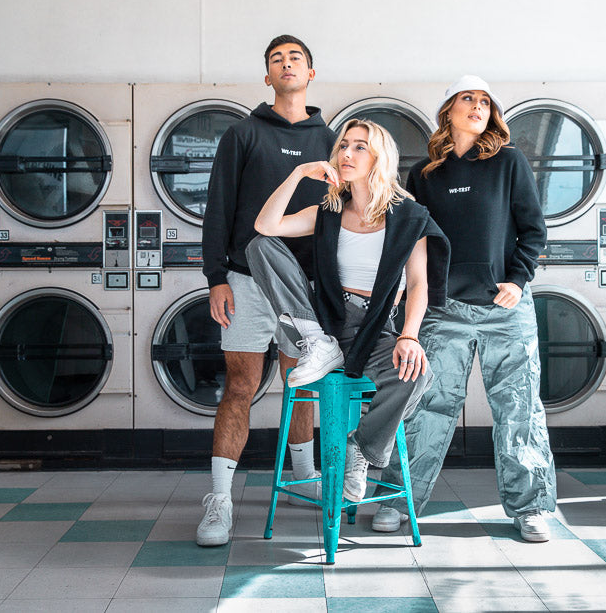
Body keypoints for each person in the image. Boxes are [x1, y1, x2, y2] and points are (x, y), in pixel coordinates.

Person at [373, 75, 557, 542]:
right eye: (467, 99)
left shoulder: (509, 162)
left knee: (518, 409)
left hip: (506, 307)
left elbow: (533, 230)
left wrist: (518, 279)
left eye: (484, 101)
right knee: (425, 408)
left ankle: (531, 508)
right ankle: (398, 499)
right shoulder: (426, 175)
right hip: (444, 307)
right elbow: (416, 240)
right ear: (449, 111)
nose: (477, 106)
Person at [245, 118, 449, 503]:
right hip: (325, 318)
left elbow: (419, 284)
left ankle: (361, 449)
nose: (347, 154)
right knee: (259, 246)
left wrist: (409, 335)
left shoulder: (409, 216)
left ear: (379, 158)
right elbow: (265, 225)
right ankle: (316, 341)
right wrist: (299, 172)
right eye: (343, 146)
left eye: (360, 147)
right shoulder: (328, 210)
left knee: (416, 376)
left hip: (375, 326)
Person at [196, 35, 337, 547]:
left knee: (302, 382)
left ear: (311, 72)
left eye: (295, 57)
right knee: (240, 385)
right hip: (246, 280)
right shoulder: (243, 134)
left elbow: (344, 212)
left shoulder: (333, 139)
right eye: (276, 59)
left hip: (308, 284)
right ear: (267, 76)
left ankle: (303, 477)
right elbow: (219, 208)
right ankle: (219, 501)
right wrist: (216, 277)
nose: (286, 64)